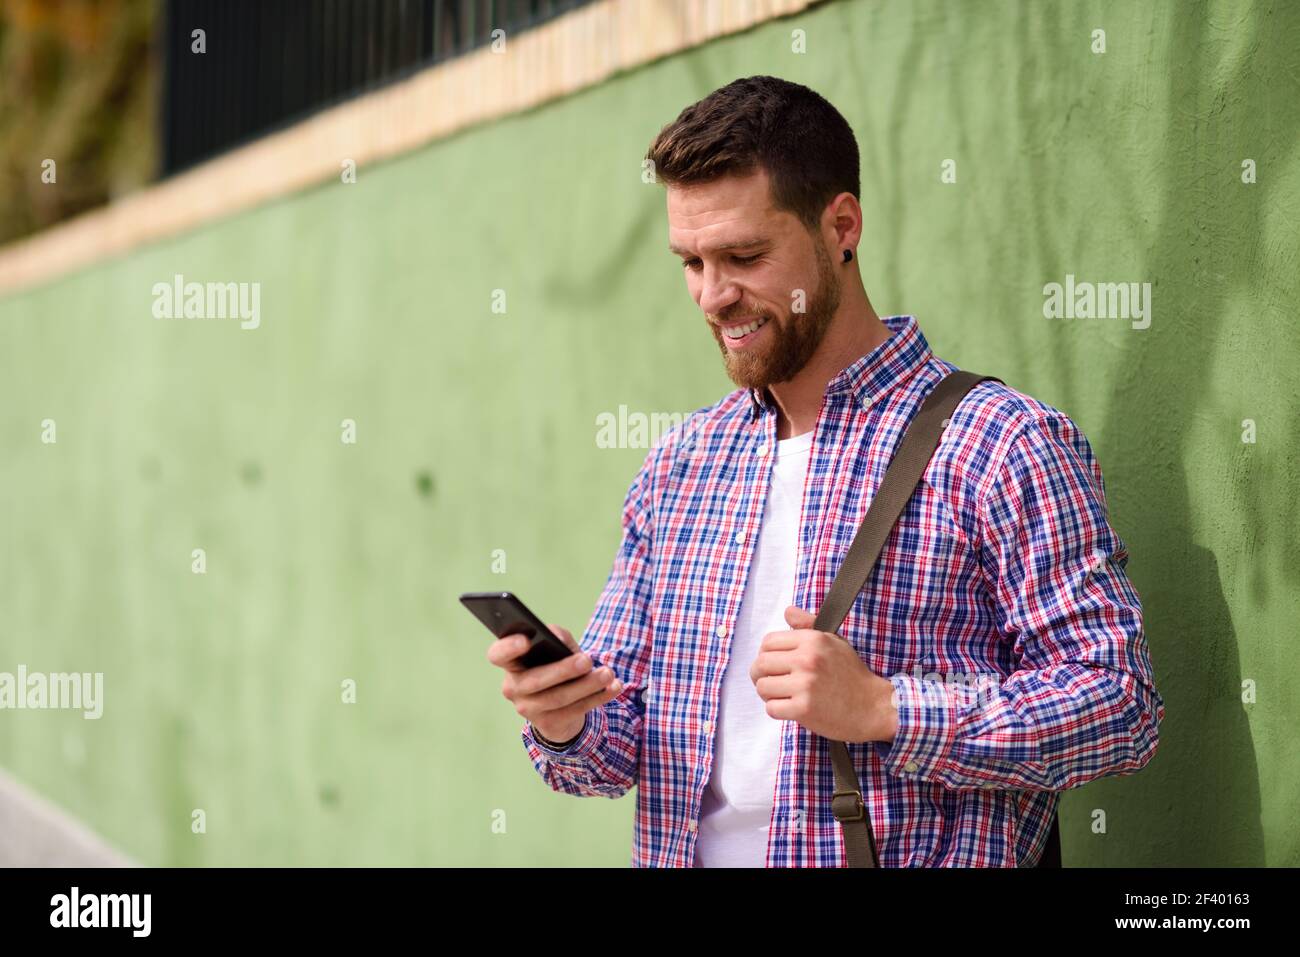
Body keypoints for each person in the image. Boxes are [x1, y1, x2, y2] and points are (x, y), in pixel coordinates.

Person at [487, 75, 1164, 867]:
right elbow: (614, 751)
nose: (713, 295)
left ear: (841, 226)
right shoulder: (680, 467)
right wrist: (564, 716)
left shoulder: (999, 443)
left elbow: (1120, 704)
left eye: (744, 255)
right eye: (692, 261)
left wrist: (885, 707)